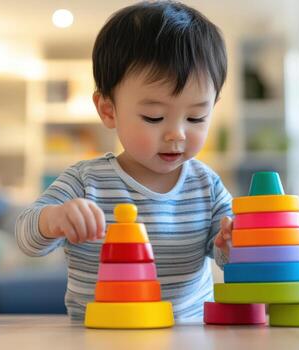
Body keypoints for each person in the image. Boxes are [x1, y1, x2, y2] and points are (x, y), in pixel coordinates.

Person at [16, 0, 234, 320]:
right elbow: (26, 237)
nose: (177, 134)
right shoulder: (85, 181)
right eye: (154, 116)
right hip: (101, 335)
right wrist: (54, 219)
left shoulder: (207, 186)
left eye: (196, 117)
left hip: (187, 335)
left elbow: (225, 256)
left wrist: (234, 243)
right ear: (108, 110)